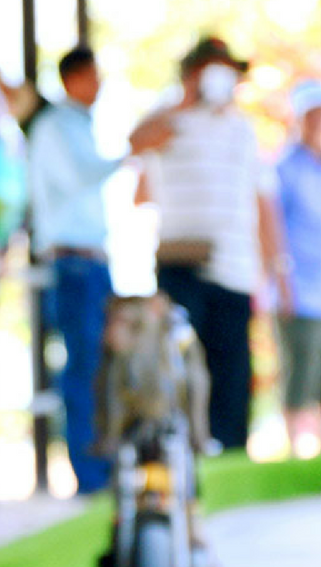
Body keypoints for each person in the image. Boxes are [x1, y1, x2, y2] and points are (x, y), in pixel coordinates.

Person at [28, 45, 169, 494]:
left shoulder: (79, 127)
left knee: (102, 365)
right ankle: (89, 475)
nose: (100, 86)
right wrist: (131, 149)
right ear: (74, 78)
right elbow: (79, 178)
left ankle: (102, 466)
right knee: (85, 365)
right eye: (93, 76)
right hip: (72, 263)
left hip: (93, 261)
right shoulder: (54, 127)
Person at [135, 36, 283, 451]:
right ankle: (180, 449)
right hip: (182, 261)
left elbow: (262, 198)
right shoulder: (168, 117)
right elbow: (135, 142)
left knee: (233, 370)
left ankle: (231, 450)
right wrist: (184, 102)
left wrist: (275, 267)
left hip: (235, 266)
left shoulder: (243, 128)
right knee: (180, 362)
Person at [275, 79, 321, 458]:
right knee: (300, 368)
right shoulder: (285, 168)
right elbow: (272, 229)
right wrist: (281, 283)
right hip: (298, 290)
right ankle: (294, 449)